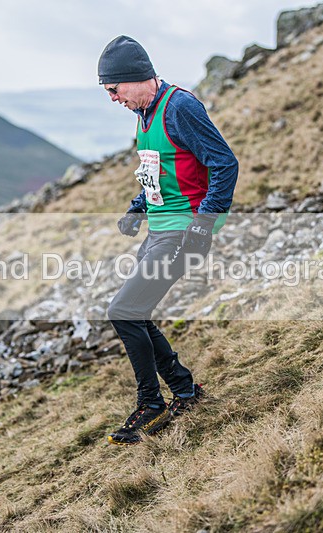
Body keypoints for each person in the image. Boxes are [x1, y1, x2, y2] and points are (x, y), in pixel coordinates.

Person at [97, 35, 239, 445]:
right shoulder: (144, 113)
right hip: (161, 227)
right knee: (135, 312)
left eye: (114, 89)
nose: (113, 98)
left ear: (135, 77)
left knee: (123, 311)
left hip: (182, 229)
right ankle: (185, 391)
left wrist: (203, 225)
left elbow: (224, 164)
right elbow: (161, 171)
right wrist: (137, 208)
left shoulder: (180, 108)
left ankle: (151, 402)